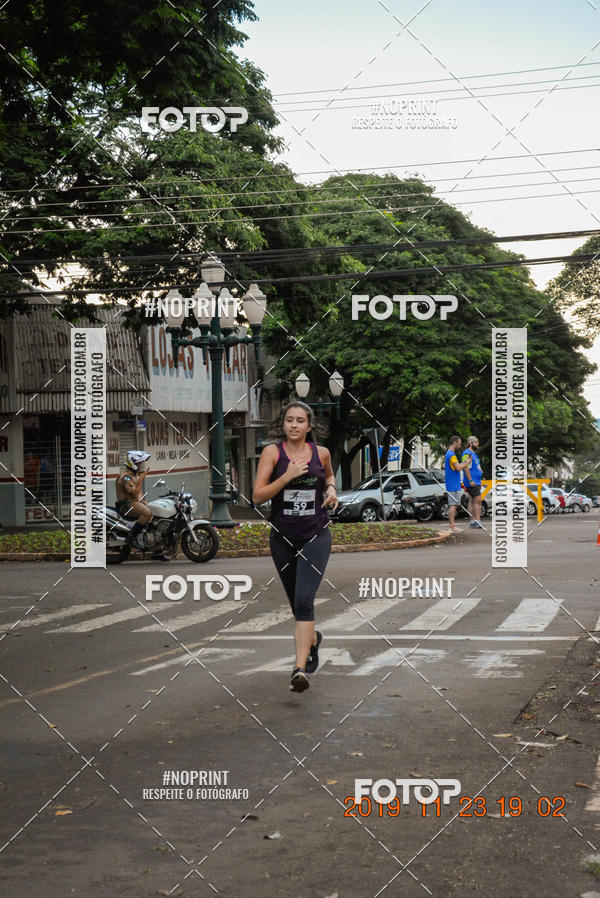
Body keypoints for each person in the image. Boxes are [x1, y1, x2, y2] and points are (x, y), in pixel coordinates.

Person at [252, 401, 338, 693]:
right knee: (296, 603)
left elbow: (329, 475)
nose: (294, 425)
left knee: (303, 601)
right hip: (283, 538)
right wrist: (287, 476)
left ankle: (299, 670)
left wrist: (331, 489)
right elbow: (258, 496)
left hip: (316, 535)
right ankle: (312, 639)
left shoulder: (321, 453)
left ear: (309, 426)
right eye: (289, 420)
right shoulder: (272, 453)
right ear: (283, 423)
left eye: (300, 420)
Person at [115, 451, 152, 546]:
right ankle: (131, 537)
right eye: (139, 463)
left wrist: (142, 501)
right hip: (127, 506)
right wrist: (141, 479)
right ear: (132, 463)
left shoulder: (134, 475)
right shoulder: (126, 478)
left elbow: (137, 495)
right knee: (147, 513)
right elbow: (135, 493)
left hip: (133, 503)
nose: (140, 465)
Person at [444, 435, 469, 533]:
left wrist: (465, 462)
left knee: (454, 505)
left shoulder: (449, 454)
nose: (460, 446)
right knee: (453, 505)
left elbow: (457, 466)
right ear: (455, 443)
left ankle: (452, 526)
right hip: (453, 483)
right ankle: (452, 526)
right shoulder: (451, 455)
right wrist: (466, 462)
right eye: (459, 444)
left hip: (452, 483)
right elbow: (458, 468)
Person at [462, 435, 485, 529]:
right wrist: (470, 480)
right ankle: (477, 521)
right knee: (477, 500)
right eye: (475, 442)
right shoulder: (467, 453)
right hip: (473, 481)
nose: (477, 444)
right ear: (470, 443)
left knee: (472, 501)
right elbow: (465, 467)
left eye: (477, 442)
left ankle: (472, 521)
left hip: (476, 481)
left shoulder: (473, 454)